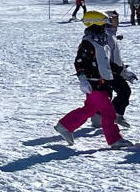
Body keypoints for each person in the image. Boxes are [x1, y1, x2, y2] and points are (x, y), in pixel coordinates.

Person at [54, 11, 128, 148]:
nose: (106, 27)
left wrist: (122, 71)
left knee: (90, 109)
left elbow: (105, 62)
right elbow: (80, 62)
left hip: (103, 82)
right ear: (96, 25)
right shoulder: (88, 43)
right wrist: (83, 79)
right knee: (108, 112)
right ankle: (114, 139)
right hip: (93, 82)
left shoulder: (102, 42)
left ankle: (65, 125)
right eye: (104, 24)